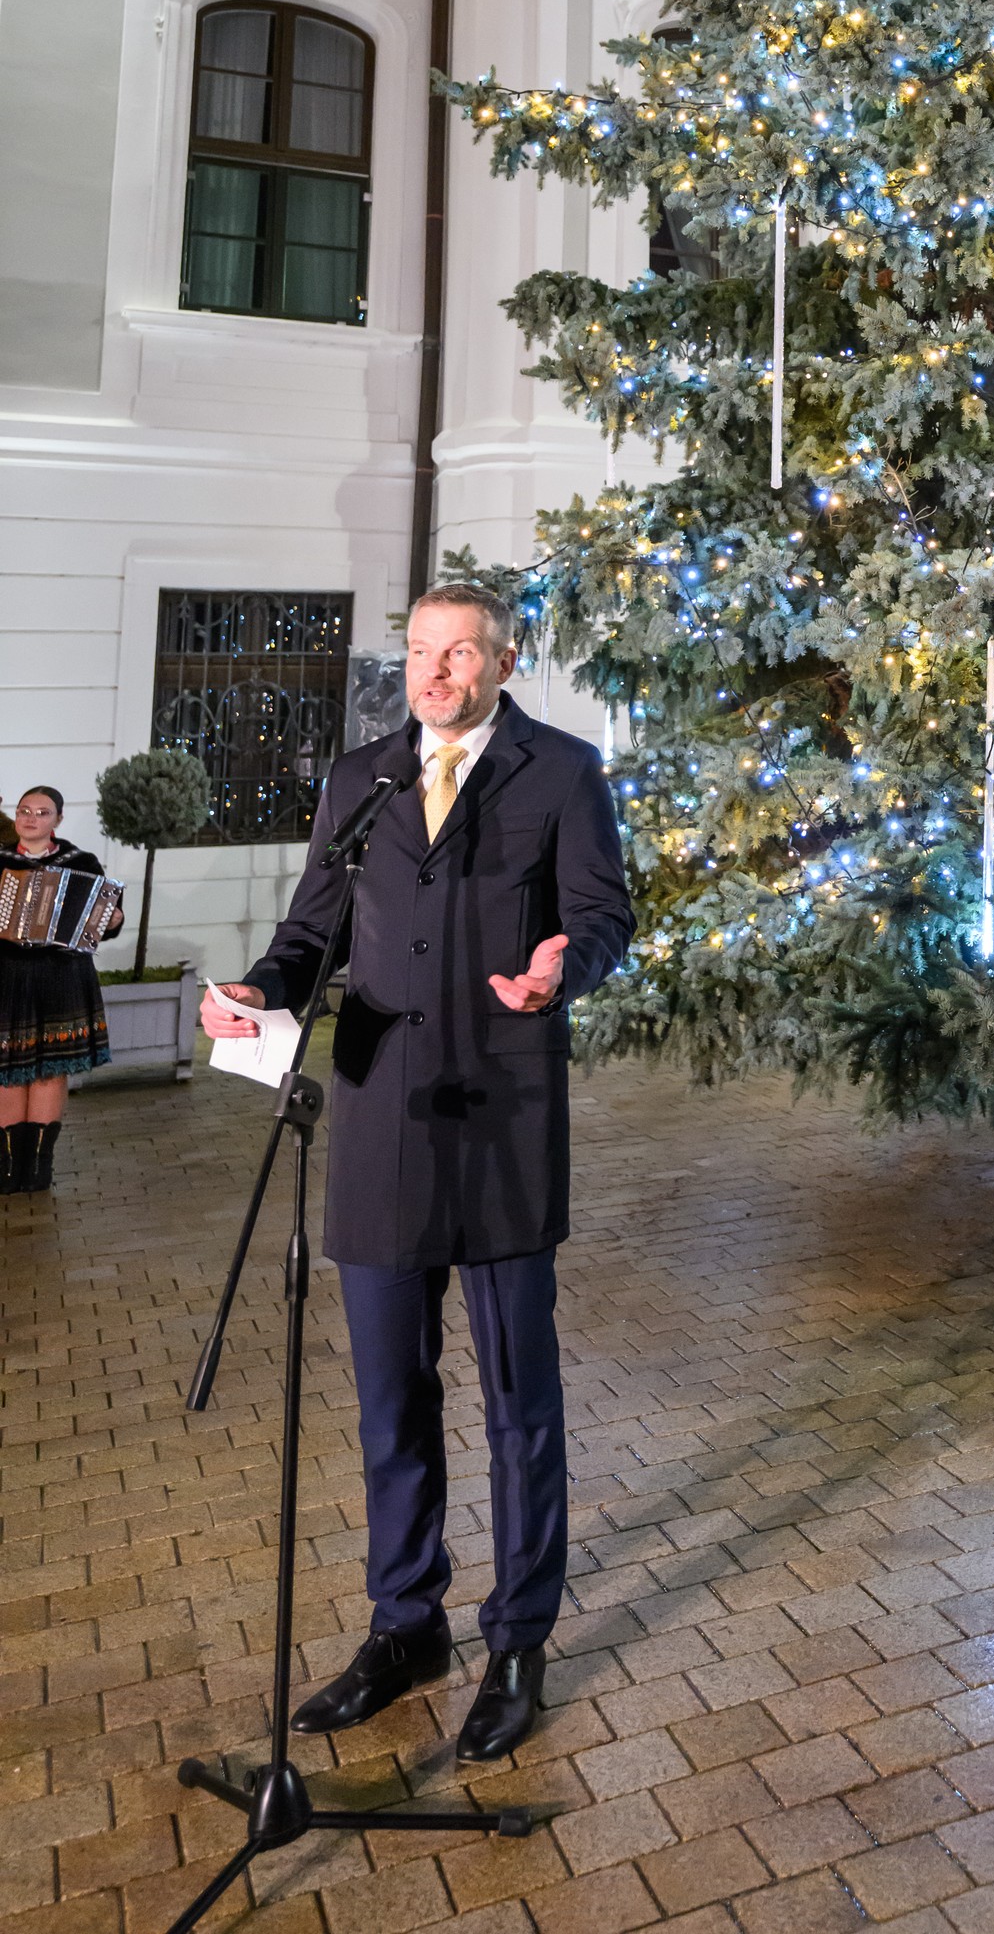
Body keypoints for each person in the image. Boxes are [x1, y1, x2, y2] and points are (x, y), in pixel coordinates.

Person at [201, 582, 633, 1763]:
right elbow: (309, 938)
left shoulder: (562, 771)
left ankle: (516, 1640)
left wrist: (561, 968)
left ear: (502, 660)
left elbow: (604, 917)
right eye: (420, 653)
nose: (435, 673)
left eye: (458, 653)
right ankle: (406, 1627)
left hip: (502, 1120)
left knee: (516, 1404)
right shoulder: (362, 778)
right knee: (391, 1401)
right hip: (378, 1121)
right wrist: (258, 990)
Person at [0, 786, 114, 1191]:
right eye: (24, 810)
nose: (31, 818)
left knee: (50, 1070)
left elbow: (104, 923)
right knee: (9, 1069)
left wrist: (111, 919)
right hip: (7, 976)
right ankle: (8, 1166)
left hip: (61, 975)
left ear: (58, 820)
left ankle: (38, 1166)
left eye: (42, 812)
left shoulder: (81, 862)